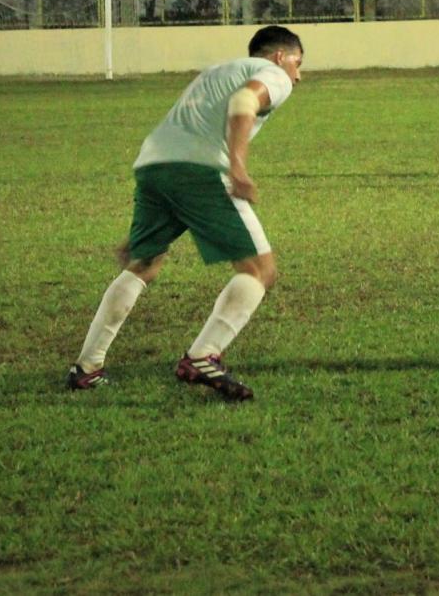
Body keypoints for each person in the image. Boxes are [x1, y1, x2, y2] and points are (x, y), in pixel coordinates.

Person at [65, 25, 304, 401]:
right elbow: (244, 102)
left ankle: (87, 367)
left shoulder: (217, 71)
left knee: (143, 263)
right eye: (298, 63)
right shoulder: (273, 74)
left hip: (153, 165)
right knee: (260, 270)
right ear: (279, 56)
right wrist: (237, 168)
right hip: (199, 171)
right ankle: (203, 356)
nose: (298, 75)